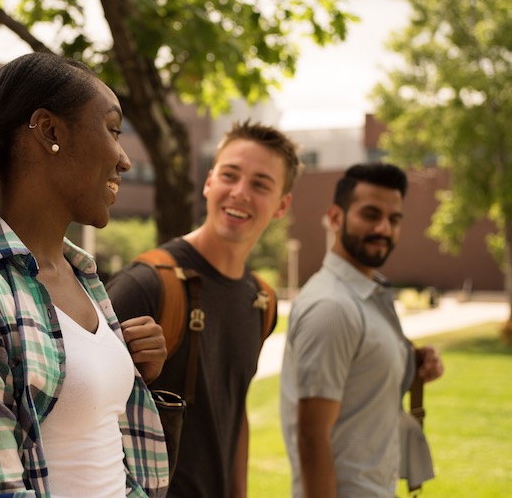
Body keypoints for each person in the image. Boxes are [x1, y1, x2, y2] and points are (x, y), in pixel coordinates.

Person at [0, 52, 170, 497]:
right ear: (49, 130)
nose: (124, 160)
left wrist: (130, 369)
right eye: (112, 130)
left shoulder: (83, 274)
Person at [107, 121, 302, 497]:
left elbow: (234, 409)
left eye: (261, 184)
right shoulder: (147, 284)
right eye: (230, 175)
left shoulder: (261, 300)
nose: (240, 193)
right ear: (209, 181)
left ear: (282, 205)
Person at [279, 163, 445, 498]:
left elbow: (361, 364)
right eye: (370, 214)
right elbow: (312, 437)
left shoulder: (365, 294)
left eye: (394, 219)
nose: (383, 228)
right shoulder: (333, 307)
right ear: (336, 217)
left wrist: (412, 360)